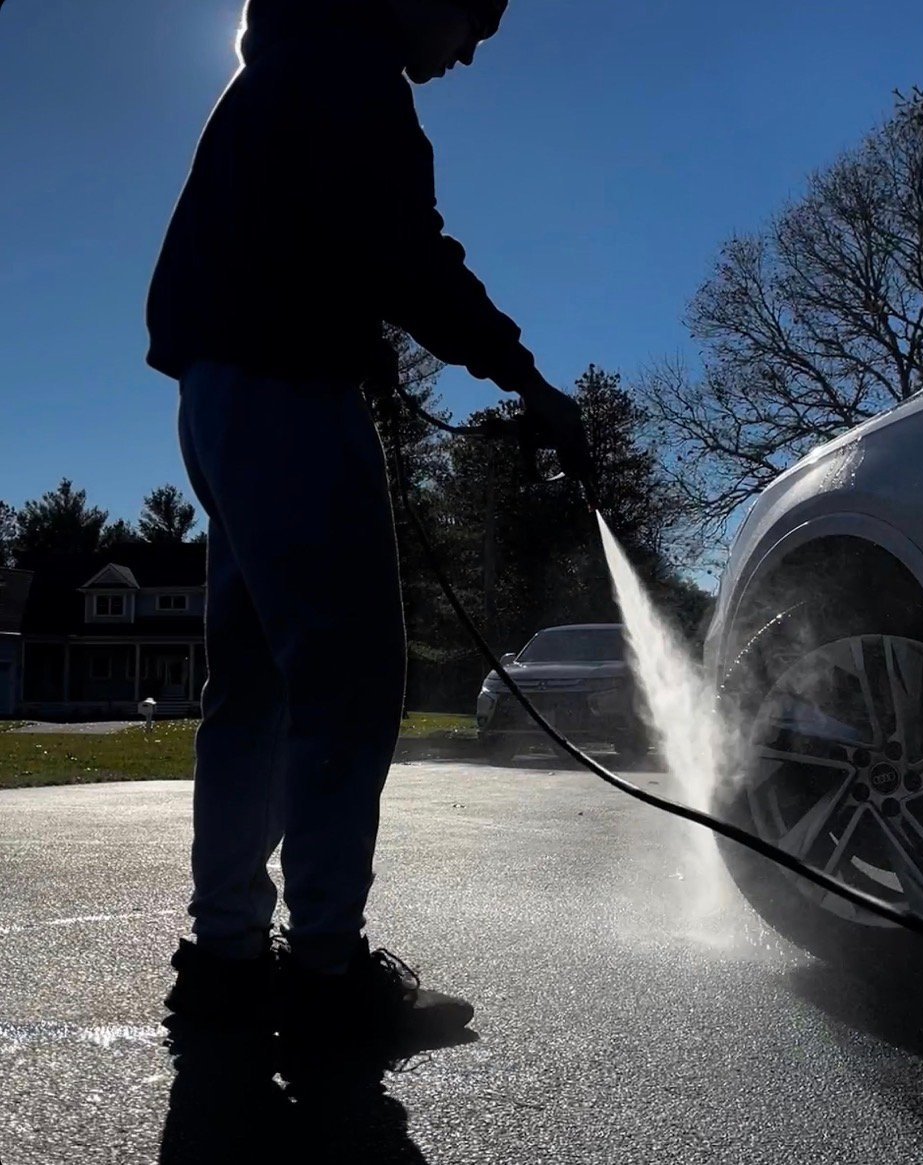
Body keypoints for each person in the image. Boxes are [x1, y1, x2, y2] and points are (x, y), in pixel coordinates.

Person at [146, 0, 593, 1050]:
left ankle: (226, 963)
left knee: (255, 679)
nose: (473, 48)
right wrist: (525, 378)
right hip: (287, 389)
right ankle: (329, 977)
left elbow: (333, 240)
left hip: (220, 390)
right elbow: (409, 253)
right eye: (474, 16)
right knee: (349, 676)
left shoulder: (287, 65)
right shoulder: (350, 74)